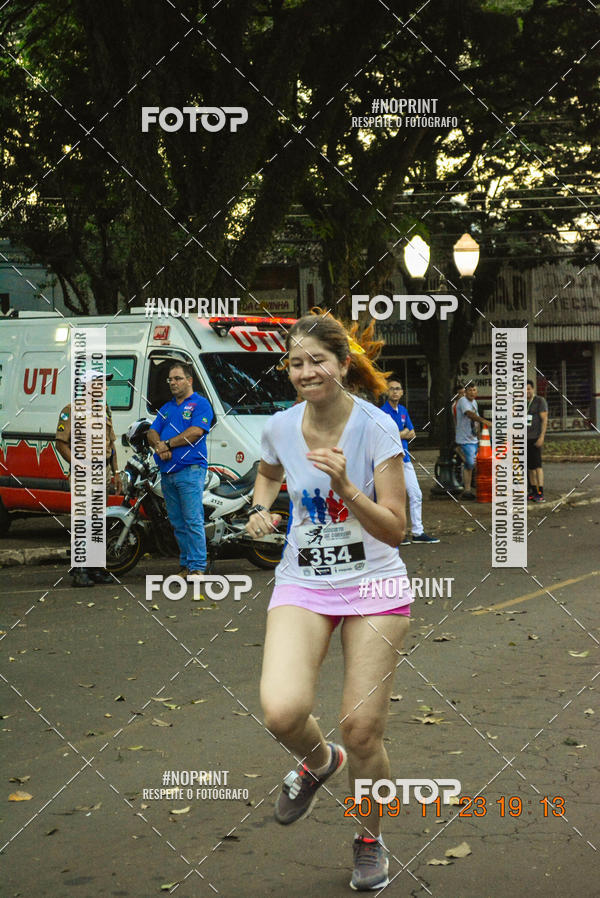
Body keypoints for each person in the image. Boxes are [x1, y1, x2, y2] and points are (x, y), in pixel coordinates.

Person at [245, 312, 413, 891]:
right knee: (282, 711)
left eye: (318, 360)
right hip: (304, 582)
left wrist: (346, 488)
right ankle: (321, 763)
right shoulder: (280, 426)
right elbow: (267, 473)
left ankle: (370, 838)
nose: (306, 372)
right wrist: (262, 507)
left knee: (361, 727)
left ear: (344, 364)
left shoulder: (375, 427)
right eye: (296, 362)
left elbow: (397, 528)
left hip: (376, 584)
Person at [147, 361, 214, 580]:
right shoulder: (167, 408)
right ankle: (186, 564)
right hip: (167, 473)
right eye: (170, 379)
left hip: (190, 470)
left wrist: (168, 444)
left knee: (192, 519)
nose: (173, 383)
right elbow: (152, 432)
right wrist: (159, 444)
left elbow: (196, 432)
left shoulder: (200, 404)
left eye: (178, 378)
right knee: (177, 522)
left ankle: (197, 567)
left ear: (189, 380)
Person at [55, 371, 121, 587]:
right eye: (100, 383)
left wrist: (116, 473)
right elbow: (61, 443)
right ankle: (80, 569)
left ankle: (95, 567)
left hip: (102, 472)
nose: (105, 388)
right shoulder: (71, 410)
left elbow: (111, 445)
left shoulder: (105, 410)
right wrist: (77, 463)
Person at [380, 378, 439, 545]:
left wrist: (400, 433)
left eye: (398, 388)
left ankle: (418, 532)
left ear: (402, 392)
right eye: (392, 389)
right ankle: (398, 533)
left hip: (405, 459)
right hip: (390, 461)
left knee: (416, 494)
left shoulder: (403, 410)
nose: (395, 391)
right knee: (395, 499)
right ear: (387, 392)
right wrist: (403, 433)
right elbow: (384, 436)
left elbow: (412, 433)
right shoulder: (382, 412)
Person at [455, 383, 491, 500]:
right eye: (469, 390)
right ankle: (467, 490)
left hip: (473, 439)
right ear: (465, 392)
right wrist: (484, 421)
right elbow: (470, 414)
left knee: (473, 464)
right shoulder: (463, 401)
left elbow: (476, 422)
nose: (472, 392)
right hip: (464, 439)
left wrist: (480, 437)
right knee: (470, 463)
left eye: (474, 390)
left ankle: (470, 488)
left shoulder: (474, 402)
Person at [527, 379, 548, 502]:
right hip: (525, 438)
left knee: (537, 467)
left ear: (533, 389)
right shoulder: (522, 403)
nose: (526, 391)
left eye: (528, 389)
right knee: (530, 467)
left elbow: (544, 420)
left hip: (535, 438)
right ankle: (533, 492)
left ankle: (540, 493)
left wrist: (541, 437)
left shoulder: (540, 401)